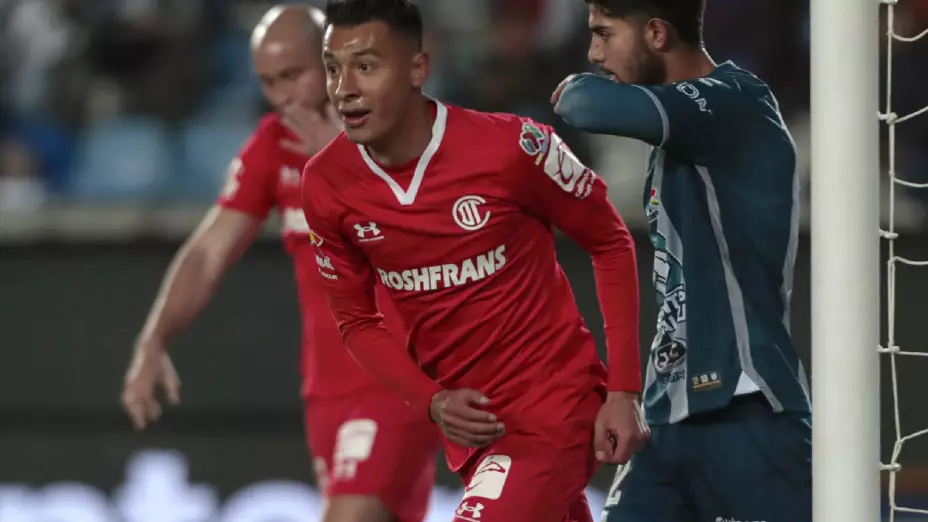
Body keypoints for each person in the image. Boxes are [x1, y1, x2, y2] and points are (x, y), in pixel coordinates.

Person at [301, 1, 649, 521]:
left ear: (418, 69)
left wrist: (623, 389)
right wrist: (432, 401)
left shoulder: (512, 147)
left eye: (366, 66)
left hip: (553, 406)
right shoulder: (326, 184)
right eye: (333, 68)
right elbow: (357, 321)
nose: (344, 87)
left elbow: (610, 241)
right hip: (475, 433)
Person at [119, 6, 439, 522]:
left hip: (399, 379)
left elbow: (439, 242)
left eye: (294, 74)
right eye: (270, 82)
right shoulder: (276, 144)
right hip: (326, 391)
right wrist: (154, 339)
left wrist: (340, 160)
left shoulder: (403, 128)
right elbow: (208, 251)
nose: (284, 95)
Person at [550, 1, 812, 521]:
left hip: (746, 404)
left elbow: (585, 104)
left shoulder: (738, 101)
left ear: (656, 33)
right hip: (668, 418)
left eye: (604, 33)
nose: (593, 53)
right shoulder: (679, 135)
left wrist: (571, 88)